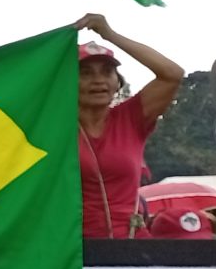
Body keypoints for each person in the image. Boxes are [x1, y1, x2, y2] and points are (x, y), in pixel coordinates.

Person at [76, 19, 185, 239]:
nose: (98, 81)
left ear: (118, 83)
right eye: (85, 73)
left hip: (132, 245)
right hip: (71, 250)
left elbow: (172, 73)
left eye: (107, 72)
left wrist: (110, 34)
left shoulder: (131, 118)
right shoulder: (51, 125)